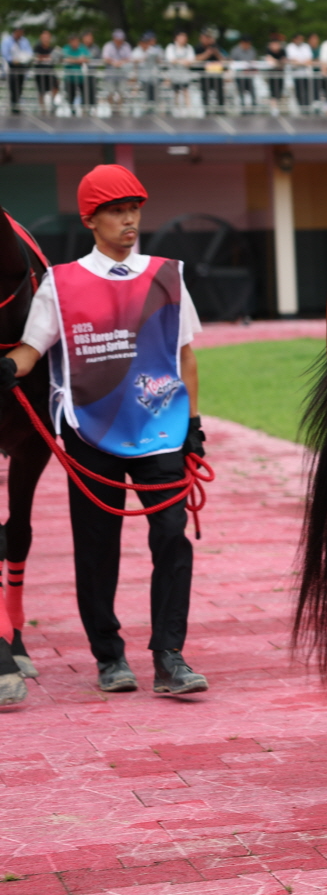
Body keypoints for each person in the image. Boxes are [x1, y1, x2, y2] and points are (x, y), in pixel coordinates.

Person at [0, 166, 209, 695]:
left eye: (134, 209)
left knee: (171, 540)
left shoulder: (168, 275)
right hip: (90, 434)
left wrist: (194, 426)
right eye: (117, 211)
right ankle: (109, 657)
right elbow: (30, 350)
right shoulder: (60, 284)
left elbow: (185, 357)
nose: (129, 219)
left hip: (161, 429)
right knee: (96, 549)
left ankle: (169, 656)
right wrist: (9, 368)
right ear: (91, 219)